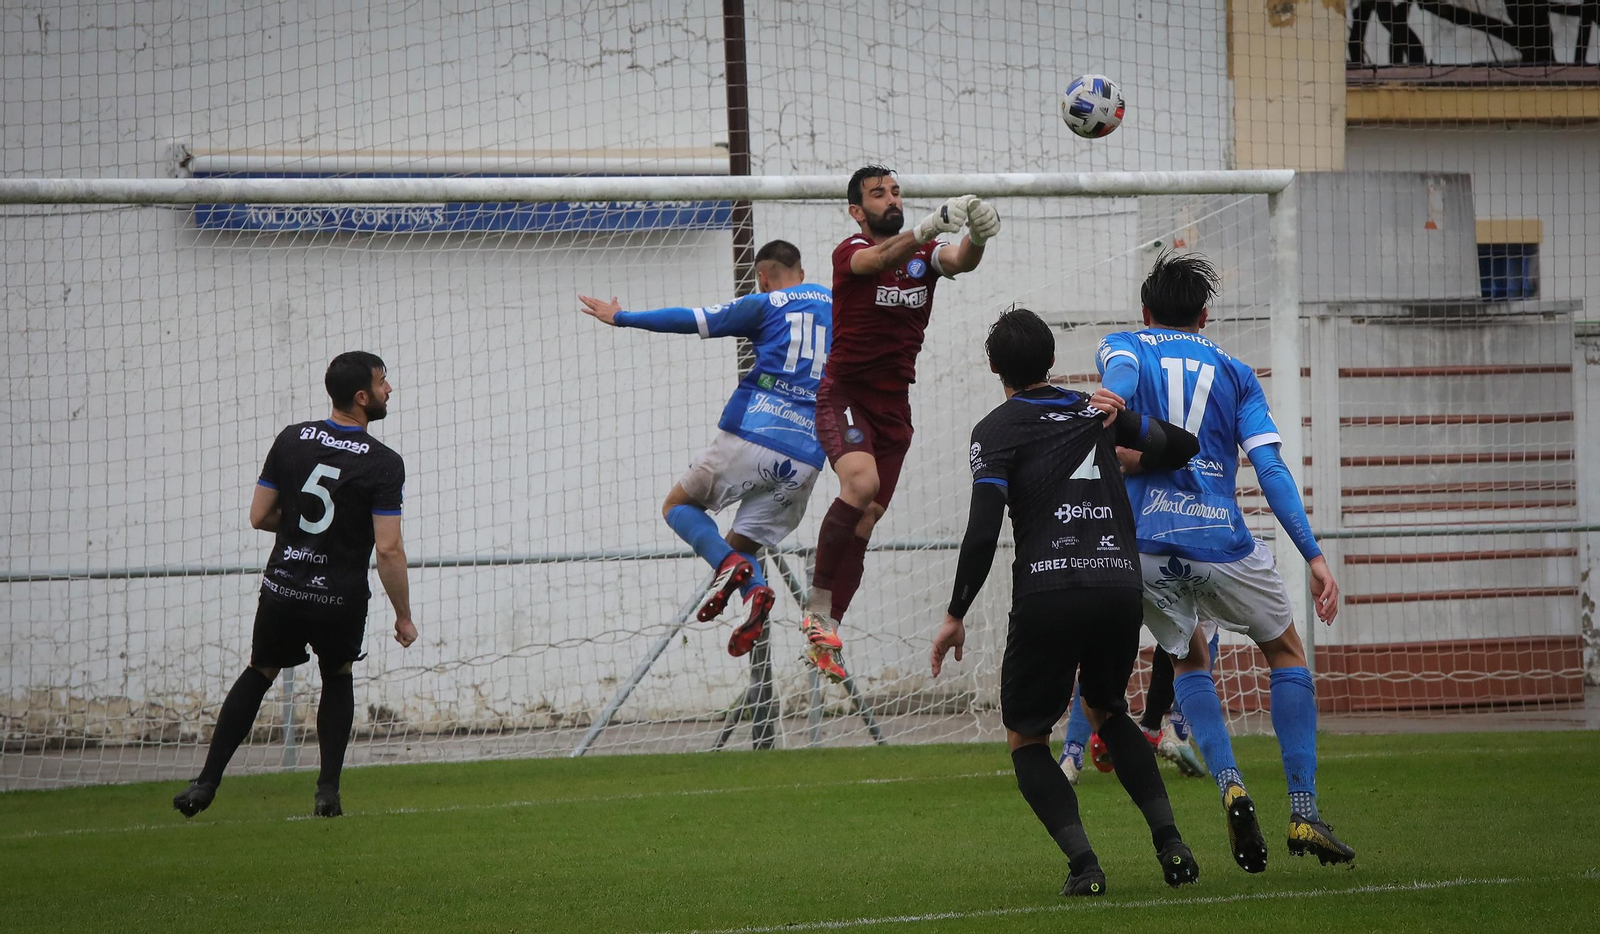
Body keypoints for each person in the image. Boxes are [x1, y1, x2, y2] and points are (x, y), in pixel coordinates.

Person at [930, 308, 1202, 896]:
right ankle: (1171, 844)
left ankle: (1086, 865)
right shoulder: (1095, 410)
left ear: (995, 367)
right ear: (1052, 360)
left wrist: (956, 613)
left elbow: (982, 531)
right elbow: (1184, 445)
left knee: (1027, 737)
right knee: (1109, 709)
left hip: (1049, 591)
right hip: (1116, 586)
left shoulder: (995, 431)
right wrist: (1126, 425)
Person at [1096, 251, 1355, 868]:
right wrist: (1314, 557)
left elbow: (1120, 392)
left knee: (1188, 659)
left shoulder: (1124, 344)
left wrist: (1114, 410)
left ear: (1145, 310)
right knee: (1287, 652)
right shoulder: (1236, 372)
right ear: (1206, 314)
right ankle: (1303, 810)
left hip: (1146, 546)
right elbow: (1269, 468)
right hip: (1221, 538)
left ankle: (1229, 783)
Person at [173, 352, 415, 819]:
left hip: (283, 588)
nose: (390, 390)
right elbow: (388, 549)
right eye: (384, 383)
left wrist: (302, 535)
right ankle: (327, 790)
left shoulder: (290, 439)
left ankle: (206, 782)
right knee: (337, 674)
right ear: (362, 397)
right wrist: (403, 615)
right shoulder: (385, 463)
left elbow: (260, 515)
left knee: (259, 672)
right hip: (339, 596)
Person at [580, 240, 831, 656]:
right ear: (802, 273)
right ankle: (753, 592)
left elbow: (691, 319)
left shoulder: (767, 302)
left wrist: (622, 317)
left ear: (762, 277)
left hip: (754, 434)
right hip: (808, 457)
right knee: (735, 549)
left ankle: (741, 576)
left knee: (677, 507)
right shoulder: (839, 307)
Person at [801, 166, 1001, 682]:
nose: (891, 199)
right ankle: (817, 611)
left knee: (866, 520)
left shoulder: (922, 254)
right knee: (860, 484)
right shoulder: (851, 250)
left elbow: (959, 260)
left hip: (895, 408)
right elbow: (878, 258)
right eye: (877, 194)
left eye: (895, 192)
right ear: (856, 210)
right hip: (844, 395)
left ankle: (829, 635)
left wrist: (977, 234)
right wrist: (931, 225)